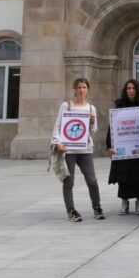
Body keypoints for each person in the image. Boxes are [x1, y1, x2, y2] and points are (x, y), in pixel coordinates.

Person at [52, 77, 104, 222]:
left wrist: (92, 123)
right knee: (69, 181)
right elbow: (58, 125)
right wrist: (57, 143)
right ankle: (71, 211)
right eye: (79, 87)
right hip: (68, 150)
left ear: (88, 90)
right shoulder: (66, 106)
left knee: (92, 180)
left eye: (84, 87)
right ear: (74, 89)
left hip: (85, 149)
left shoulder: (91, 108)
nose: (81, 90)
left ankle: (97, 208)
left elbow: (93, 130)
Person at [105, 79, 139, 216]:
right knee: (123, 175)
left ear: (137, 90)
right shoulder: (119, 105)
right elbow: (112, 127)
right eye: (128, 88)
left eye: (133, 88)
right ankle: (124, 202)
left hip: (138, 146)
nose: (130, 91)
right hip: (123, 146)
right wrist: (109, 146)